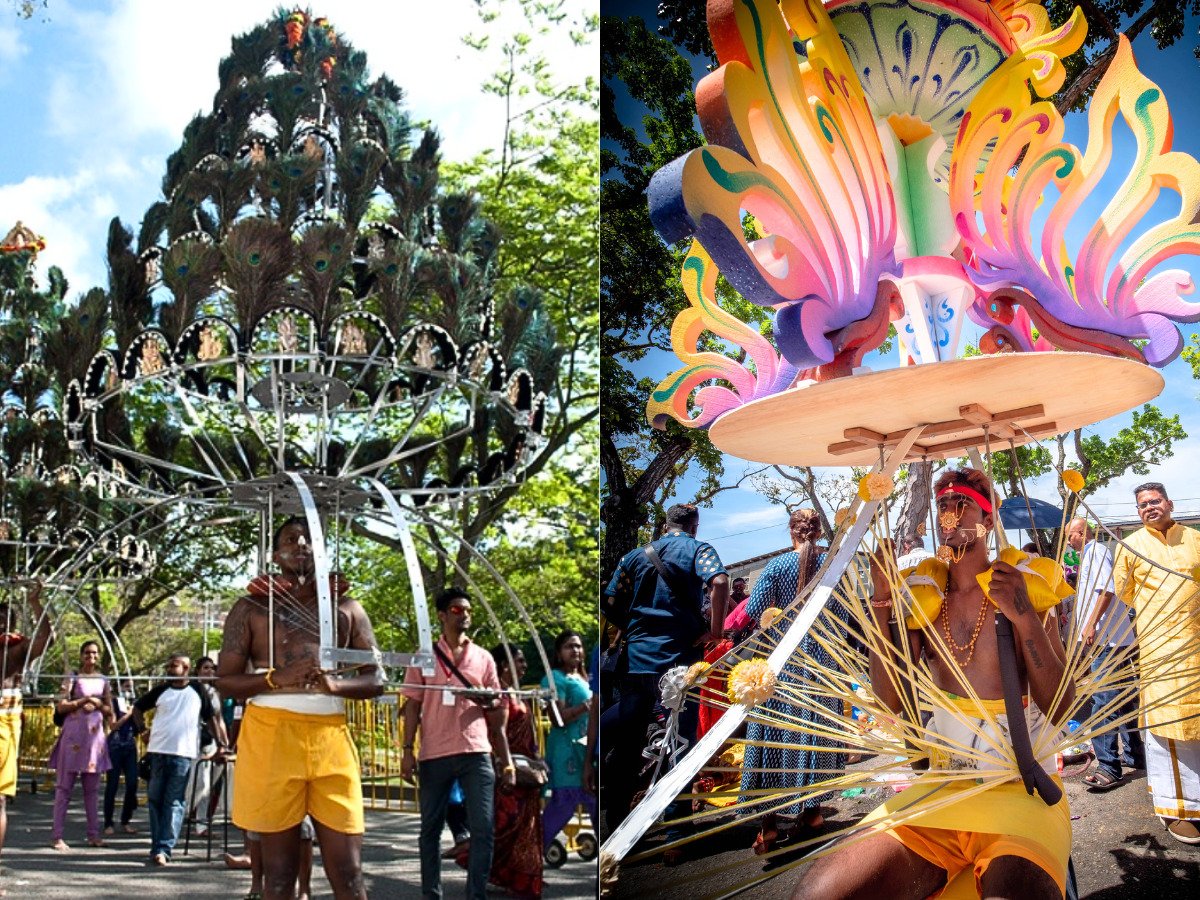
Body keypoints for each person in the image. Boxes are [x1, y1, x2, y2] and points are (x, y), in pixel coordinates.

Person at [794, 468, 1075, 900]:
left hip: (1019, 789)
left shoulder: (1026, 584)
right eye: (942, 505)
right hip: (941, 787)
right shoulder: (923, 595)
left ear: (989, 514)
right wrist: (882, 599)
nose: (950, 513)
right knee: (818, 894)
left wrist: (1022, 616)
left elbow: (1061, 707)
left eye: (962, 504)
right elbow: (891, 700)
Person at [217, 516, 383, 899]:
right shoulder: (249, 608)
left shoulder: (348, 608)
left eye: (310, 539)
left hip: (331, 738)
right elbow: (224, 681)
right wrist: (278, 678)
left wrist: (336, 684)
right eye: (291, 538)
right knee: (278, 877)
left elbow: (377, 679)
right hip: (271, 733)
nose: (302, 543)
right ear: (275, 554)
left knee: (350, 873)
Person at [600, 502, 728, 853]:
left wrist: (635, 627)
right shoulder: (697, 549)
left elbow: (608, 600)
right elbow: (718, 580)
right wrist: (715, 630)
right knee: (678, 747)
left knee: (627, 747)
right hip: (677, 666)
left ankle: (618, 831)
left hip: (636, 663)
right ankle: (674, 837)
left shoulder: (634, 557)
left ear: (664, 524)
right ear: (695, 525)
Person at [740, 508, 849, 853]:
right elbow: (844, 614)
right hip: (822, 664)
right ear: (816, 532)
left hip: (783, 663)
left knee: (775, 735)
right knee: (816, 730)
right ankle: (813, 814)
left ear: (792, 532)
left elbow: (756, 609)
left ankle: (769, 825)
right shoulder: (833, 566)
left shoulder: (775, 567)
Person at [401, 587, 515, 900]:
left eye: (467, 610)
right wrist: (406, 751)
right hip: (434, 753)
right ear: (441, 615)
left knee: (482, 828)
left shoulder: (484, 657)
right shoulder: (423, 656)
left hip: (476, 751)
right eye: (456, 610)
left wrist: (486, 699)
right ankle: (431, 894)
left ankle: (475, 895)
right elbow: (411, 704)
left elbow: (499, 703)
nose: (463, 614)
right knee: (430, 830)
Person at [1104, 482, 1200, 844]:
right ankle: (1176, 807)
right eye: (1143, 504)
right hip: (1159, 650)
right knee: (1166, 725)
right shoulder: (1130, 545)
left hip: (1196, 644)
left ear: (1169, 503)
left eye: (1155, 501)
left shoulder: (1194, 539)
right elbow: (1125, 591)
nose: (1149, 507)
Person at [454, 645, 543, 899]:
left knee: (524, 826)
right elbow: (498, 733)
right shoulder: (497, 694)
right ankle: (479, 865)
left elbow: (530, 729)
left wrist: (537, 759)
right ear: (504, 665)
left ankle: (520, 878)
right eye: (520, 660)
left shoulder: (519, 693)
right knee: (505, 825)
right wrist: (507, 767)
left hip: (525, 766)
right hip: (504, 768)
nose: (524, 665)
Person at [119, 653, 226, 865]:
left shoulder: (197, 691)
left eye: (174, 665)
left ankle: (164, 848)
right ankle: (156, 845)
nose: (169, 668)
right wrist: (142, 730)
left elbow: (211, 718)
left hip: (183, 754)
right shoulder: (161, 690)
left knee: (174, 800)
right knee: (155, 799)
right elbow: (138, 708)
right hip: (158, 752)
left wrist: (221, 744)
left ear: (186, 668)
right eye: (168, 665)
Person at [1066, 517, 1142, 791]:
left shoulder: (1096, 551)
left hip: (1107, 639)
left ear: (1082, 532)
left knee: (1104, 702)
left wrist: (1089, 626)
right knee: (1121, 698)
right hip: (1111, 638)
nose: (1069, 542)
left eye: (1070, 536)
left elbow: (1106, 591)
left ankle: (1109, 767)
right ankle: (1135, 755)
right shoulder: (1088, 555)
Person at [0, 582, 51, 889]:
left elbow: (47, 639)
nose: (1, 624)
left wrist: (35, 602)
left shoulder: (16, 649)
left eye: (6, 620)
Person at [49, 639, 113, 851]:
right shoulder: (72, 676)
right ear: (81, 655)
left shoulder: (104, 680)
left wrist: (97, 703)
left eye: (94, 653)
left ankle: (93, 834)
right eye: (87, 653)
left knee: (92, 791)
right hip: (72, 738)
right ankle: (57, 836)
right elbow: (61, 706)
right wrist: (80, 701)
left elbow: (109, 711)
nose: (91, 657)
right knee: (63, 789)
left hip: (94, 741)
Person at [541, 630, 596, 855]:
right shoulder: (555, 678)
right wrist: (587, 705)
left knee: (591, 800)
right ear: (558, 653)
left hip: (585, 751)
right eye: (569, 646)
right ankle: (530, 853)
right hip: (566, 754)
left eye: (578, 646)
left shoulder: (584, 677)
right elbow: (557, 718)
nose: (575, 650)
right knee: (563, 805)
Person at [187, 656, 231, 836]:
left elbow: (218, 718)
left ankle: (202, 823)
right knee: (199, 782)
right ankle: (182, 812)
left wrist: (225, 742)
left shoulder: (215, 692)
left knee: (209, 783)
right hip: (195, 740)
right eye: (205, 668)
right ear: (197, 670)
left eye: (212, 668)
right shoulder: (191, 689)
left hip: (213, 741)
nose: (210, 672)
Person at [103, 679, 142, 835]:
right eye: (127, 686)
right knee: (112, 785)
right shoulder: (113, 702)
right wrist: (129, 714)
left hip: (130, 747)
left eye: (131, 687)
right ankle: (108, 822)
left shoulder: (134, 703)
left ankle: (126, 820)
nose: (129, 690)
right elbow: (113, 725)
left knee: (132, 783)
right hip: (115, 747)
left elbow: (139, 724)